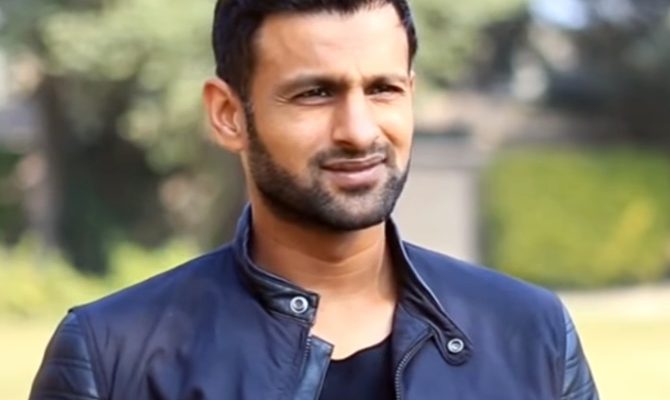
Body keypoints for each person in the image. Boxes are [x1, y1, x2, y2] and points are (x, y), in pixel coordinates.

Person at [30, 0, 599, 399]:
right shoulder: (112, 358)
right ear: (228, 115)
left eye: (382, 89)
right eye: (315, 93)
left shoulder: (532, 334)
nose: (358, 130)